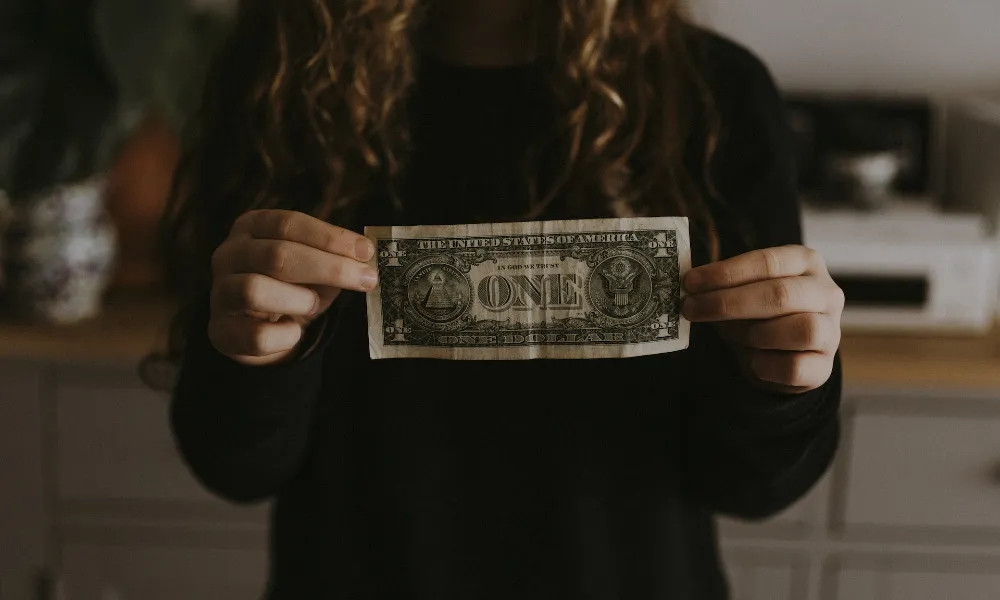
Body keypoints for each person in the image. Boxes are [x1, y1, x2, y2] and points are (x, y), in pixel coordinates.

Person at [157, 1, 845, 598]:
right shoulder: (276, 81)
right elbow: (235, 466)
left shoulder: (716, 94)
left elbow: (753, 487)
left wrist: (787, 383)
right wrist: (251, 355)